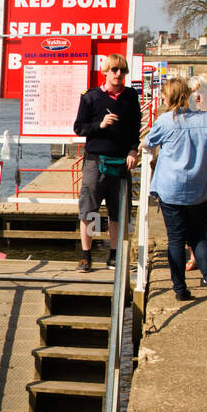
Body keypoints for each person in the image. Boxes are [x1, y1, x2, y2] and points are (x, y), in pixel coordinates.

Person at [144, 76, 207, 303]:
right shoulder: (206, 119)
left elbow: (148, 142)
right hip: (199, 189)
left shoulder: (165, 120)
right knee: (198, 236)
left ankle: (180, 289)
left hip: (171, 189)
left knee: (175, 240)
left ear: (169, 96)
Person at [73, 53, 141, 273]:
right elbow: (79, 128)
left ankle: (113, 256)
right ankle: (86, 256)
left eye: (122, 71)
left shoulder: (130, 97)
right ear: (105, 71)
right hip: (95, 161)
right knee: (90, 210)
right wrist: (99, 125)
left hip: (121, 163)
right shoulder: (90, 97)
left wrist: (133, 150)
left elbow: (134, 129)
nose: (119, 75)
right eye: (115, 70)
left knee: (118, 212)